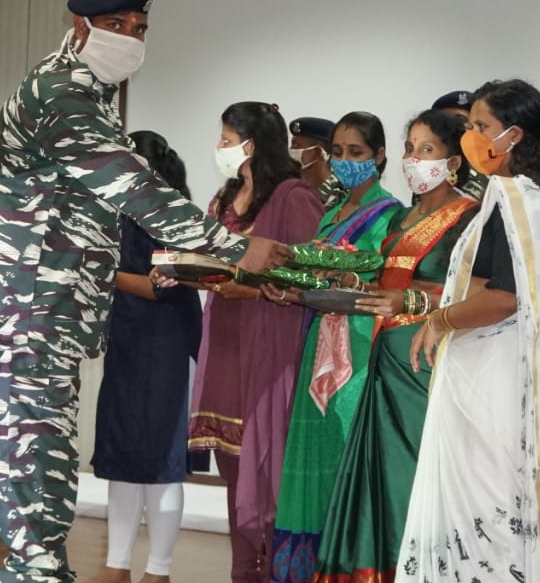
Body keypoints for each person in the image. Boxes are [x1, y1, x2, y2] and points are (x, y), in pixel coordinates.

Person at [0, 0, 291, 583]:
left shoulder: (87, 92)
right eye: (117, 27)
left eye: (139, 29)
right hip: (23, 309)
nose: (130, 39)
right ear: (81, 28)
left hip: (8, 304)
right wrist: (234, 247)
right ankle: (36, 571)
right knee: (36, 449)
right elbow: (133, 184)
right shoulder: (63, 90)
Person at [398, 78, 540, 582]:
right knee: (470, 507)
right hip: (478, 367)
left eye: (481, 126)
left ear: (513, 135)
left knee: (491, 507)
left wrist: (439, 319)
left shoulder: (523, 199)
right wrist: (443, 311)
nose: (471, 136)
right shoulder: (501, 194)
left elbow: (503, 298)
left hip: (498, 374)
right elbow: (475, 279)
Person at [313, 109, 478, 583]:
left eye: (426, 150)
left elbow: (468, 290)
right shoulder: (404, 218)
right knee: (377, 478)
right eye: (409, 149)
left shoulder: (467, 218)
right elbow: (384, 280)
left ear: (453, 161)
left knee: (412, 474)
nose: (413, 159)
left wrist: (408, 298)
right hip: (383, 357)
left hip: (425, 361)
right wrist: (346, 279)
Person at [187, 102, 323, 582]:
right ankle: (242, 570)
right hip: (224, 338)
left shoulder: (293, 195)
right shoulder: (225, 197)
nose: (220, 149)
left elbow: (310, 274)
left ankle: (277, 569)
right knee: (230, 461)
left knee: (267, 462)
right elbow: (210, 255)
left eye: (226, 139)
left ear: (252, 143)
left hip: (271, 339)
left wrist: (248, 286)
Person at [270, 112, 402, 583]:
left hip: (359, 353)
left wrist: (345, 276)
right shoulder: (331, 213)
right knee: (312, 453)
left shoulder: (392, 215)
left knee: (348, 455)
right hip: (317, 345)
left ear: (380, 156)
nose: (345, 162)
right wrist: (290, 288)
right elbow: (314, 275)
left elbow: (383, 282)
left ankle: (349, 568)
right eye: (339, 153)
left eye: (357, 153)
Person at [86, 131, 209, 583]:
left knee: (160, 457)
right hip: (127, 339)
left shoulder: (173, 214)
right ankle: (116, 565)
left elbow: (162, 284)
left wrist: (102, 270)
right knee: (123, 454)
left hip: (167, 341)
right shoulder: (113, 211)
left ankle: (158, 570)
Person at [431, 89, 487, 199]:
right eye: (445, 122)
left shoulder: (492, 169)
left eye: (460, 120)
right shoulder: (429, 169)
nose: (452, 126)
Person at [289, 116, 344, 210]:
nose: (291, 150)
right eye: (292, 145)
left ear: (319, 152)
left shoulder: (344, 196)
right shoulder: (293, 191)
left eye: (297, 145)